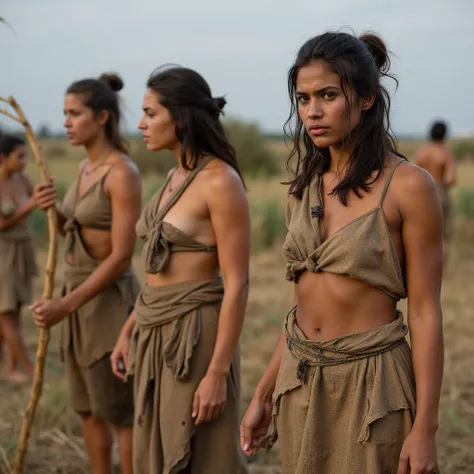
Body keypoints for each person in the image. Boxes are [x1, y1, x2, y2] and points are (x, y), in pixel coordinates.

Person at [240, 32, 443, 474]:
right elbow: (301, 307)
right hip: (299, 380)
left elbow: (425, 312)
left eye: (328, 95)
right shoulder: (304, 189)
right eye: (303, 97)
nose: (312, 110)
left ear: (367, 98)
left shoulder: (409, 186)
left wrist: (425, 427)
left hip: (372, 385)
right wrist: (262, 393)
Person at [110, 66, 250, 474]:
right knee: (154, 439)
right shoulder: (174, 176)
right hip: (153, 326)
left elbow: (238, 283)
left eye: (151, 113)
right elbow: (159, 277)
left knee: (199, 451)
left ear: (182, 116)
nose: (140, 124)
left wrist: (217, 373)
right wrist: (130, 328)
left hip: (195, 336)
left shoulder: (220, 181)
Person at [31, 73, 141, 474]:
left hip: (107, 305)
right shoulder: (83, 168)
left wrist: (65, 304)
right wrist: (53, 211)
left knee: (118, 412)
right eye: (64, 114)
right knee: (89, 411)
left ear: (102, 118)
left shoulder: (122, 173)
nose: (66, 122)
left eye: (74, 114)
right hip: (75, 302)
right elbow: (73, 231)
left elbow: (121, 257)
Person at [0, 133, 38, 382]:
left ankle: (11, 368)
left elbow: (41, 201)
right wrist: (28, 206)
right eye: (20, 156)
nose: (24, 162)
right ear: (3, 158)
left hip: (23, 251)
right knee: (7, 314)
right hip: (2, 253)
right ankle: (31, 371)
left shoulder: (24, 180)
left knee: (18, 309)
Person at [415, 120, 456, 267]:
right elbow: (451, 179)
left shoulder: (422, 152)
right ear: (444, 135)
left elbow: (414, 176)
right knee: (443, 237)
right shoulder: (445, 154)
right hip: (440, 193)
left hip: (422, 196)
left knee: (421, 233)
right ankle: (440, 271)